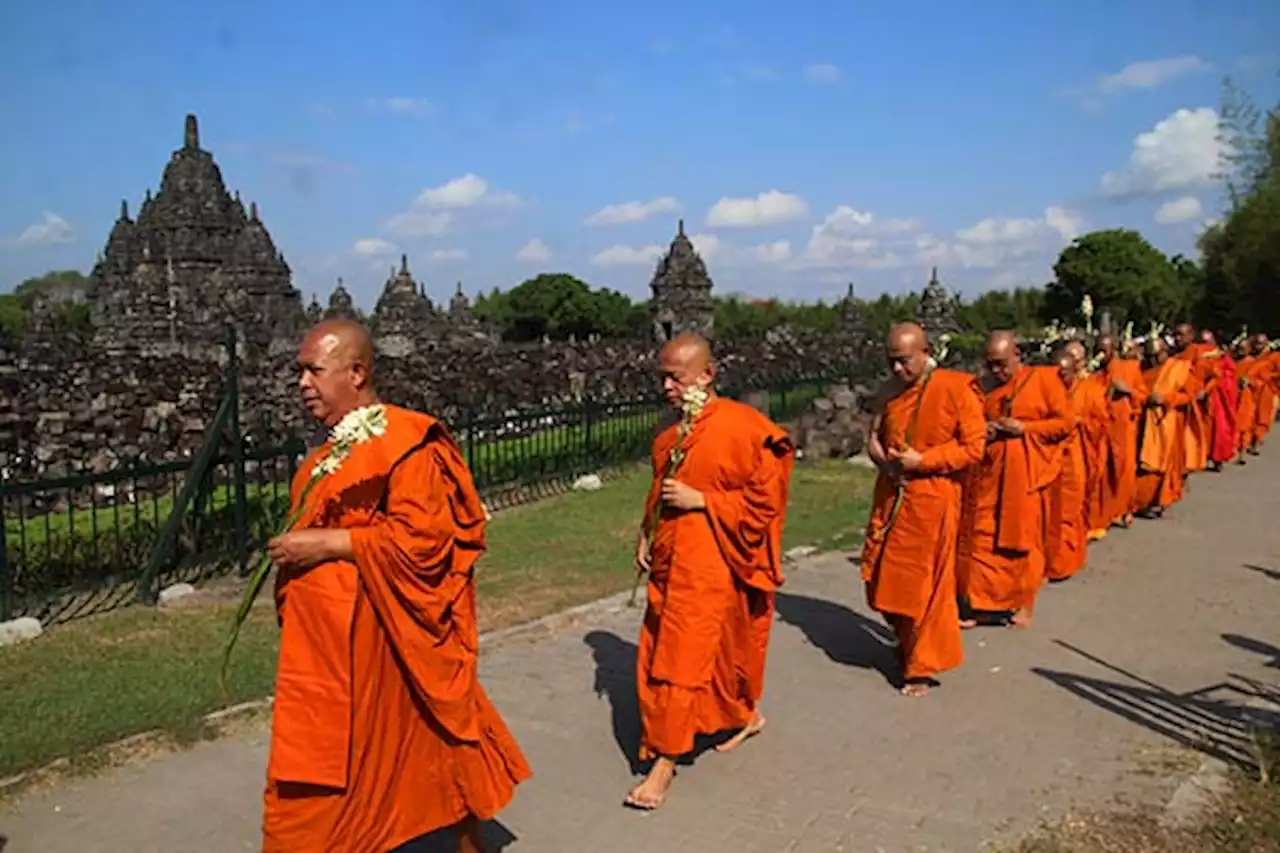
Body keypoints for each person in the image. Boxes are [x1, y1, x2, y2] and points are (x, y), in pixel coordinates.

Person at [262, 319, 531, 853]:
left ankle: (458, 831)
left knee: (410, 750)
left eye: (313, 370)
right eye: (299, 372)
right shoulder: (324, 456)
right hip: (325, 653)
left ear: (356, 372)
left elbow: (425, 543)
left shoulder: (409, 442)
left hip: (388, 644)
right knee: (313, 777)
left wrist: (327, 544)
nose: (302, 383)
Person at [626, 332, 794, 810]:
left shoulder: (744, 427)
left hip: (712, 565)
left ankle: (665, 763)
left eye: (675, 378)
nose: (667, 388)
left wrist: (705, 502)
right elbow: (661, 488)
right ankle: (742, 714)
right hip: (670, 559)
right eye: (662, 378)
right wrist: (646, 532)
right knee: (691, 652)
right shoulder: (669, 433)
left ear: (707, 374)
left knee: (681, 660)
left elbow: (767, 502)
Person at [862, 323, 985, 696]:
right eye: (891, 361)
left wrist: (924, 460)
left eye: (905, 361)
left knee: (924, 586)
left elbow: (973, 448)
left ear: (925, 351)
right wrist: (886, 463)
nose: (898, 369)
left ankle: (920, 666)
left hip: (933, 498)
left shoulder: (955, 389)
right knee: (881, 577)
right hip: (893, 496)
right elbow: (873, 438)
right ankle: (906, 640)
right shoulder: (888, 391)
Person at [957, 331, 1072, 629]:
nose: (997, 371)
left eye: (1002, 364)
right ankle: (984, 604)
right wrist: (987, 429)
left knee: (1021, 540)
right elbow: (969, 424)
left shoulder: (1043, 380)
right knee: (982, 535)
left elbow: (1065, 423)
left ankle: (1023, 603)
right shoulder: (983, 387)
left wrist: (1025, 428)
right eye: (991, 365)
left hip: (1025, 474)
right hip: (989, 473)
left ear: (1017, 355)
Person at [1046, 342, 1104, 579]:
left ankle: (1063, 563)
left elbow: (1101, 425)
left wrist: (1080, 423)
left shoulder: (1091, 389)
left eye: (1076, 360)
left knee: (1069, 512)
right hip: (1049, 459)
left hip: (1075, 458)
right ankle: (1047, 560)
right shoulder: (1047, 389)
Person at [1134, 336, 1195, 517]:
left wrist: (1166, 399)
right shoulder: (1140, 369)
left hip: (1165, 423)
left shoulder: (1178, 369)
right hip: (1141, 421)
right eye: (1149, 356)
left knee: (1159, 466)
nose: (1152, 360)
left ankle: (1156, 501)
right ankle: (1139, 502)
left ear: (1165, 353)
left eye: (1156, 356)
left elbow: (1188, 395)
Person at [1092, 334, 1147, 529]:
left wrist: (1128, 390)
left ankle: (1125, 509)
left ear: (1113, 350)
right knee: (1101, 471)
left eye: (1105, 350)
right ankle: (1104, 513)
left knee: (1123, 470)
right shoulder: (1094, 373)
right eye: (1098, 349)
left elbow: (1143, 396)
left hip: (1123, 428)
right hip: (1100, 429)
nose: (1101, 354)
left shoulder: (1129, 368)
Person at [1172, 324, 1216, 476]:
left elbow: (1214, 375)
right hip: (1174, 401)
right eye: (1175, 335)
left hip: (1193, 402)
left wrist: (1204, 391)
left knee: (1190, 438)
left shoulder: (1200, 353)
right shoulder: (1171, 355)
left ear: (1191, 336)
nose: (1177, 338)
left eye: (1181, 335)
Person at [1199, 330, 1238, 472]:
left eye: (1208, 342)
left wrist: (1215, 381)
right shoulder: (1197, 355)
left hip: (1219, 399)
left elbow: (1229, 377)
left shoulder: (1223, 358)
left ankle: (1218, 458)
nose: (1205, 345)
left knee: (1220, 428)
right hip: (1200, 397)